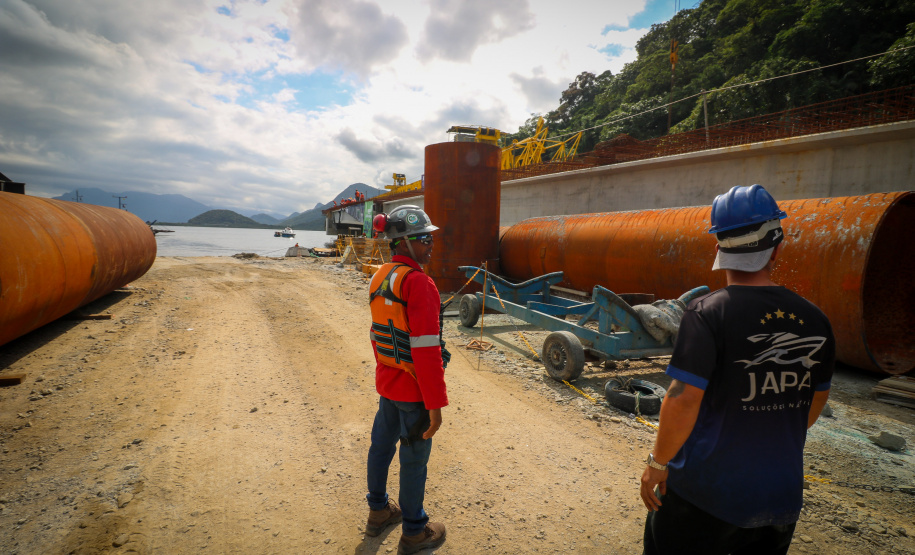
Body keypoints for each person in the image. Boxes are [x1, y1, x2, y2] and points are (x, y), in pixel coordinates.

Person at [639, 184, 836, 555]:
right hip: (780, 497)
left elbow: (682, 400)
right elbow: (814, 402)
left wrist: (658, 464)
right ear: (778, 247)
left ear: (718, 249)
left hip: (706, 495)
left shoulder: (706, 313)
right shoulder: (816, 320)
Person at [365, 205, 449, 554]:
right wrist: (436, 405)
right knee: (413, 459)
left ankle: (379, 511)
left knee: (381, 447)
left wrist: (388, 371)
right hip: (413, 391)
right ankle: (414, 530)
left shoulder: (380, 275)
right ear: (404, 242)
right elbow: (427, 351)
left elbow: (377, 334)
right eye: (423, 238)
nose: (431, 244)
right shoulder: (419, 283)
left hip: (388, 383)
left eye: (430, 237)